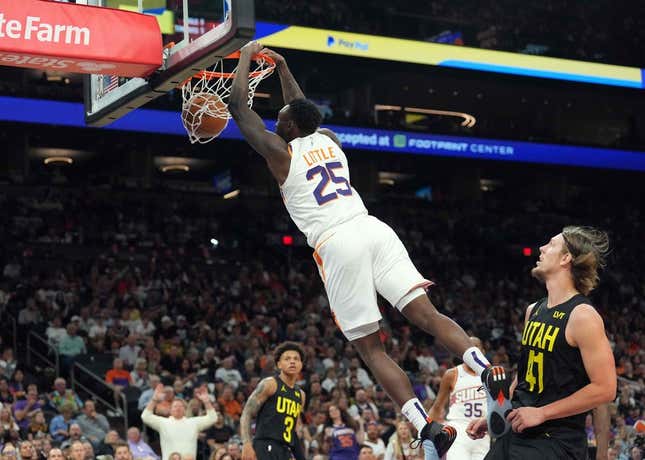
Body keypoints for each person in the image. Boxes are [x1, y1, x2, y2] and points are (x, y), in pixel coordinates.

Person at [226, 41, 509, 456]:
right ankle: (486, 371)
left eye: (280, 118)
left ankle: (426, 427)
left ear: (286, 128)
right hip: (374, 228)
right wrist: (283, 66)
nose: (277, 118)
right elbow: (302, 108)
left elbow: (238, 108)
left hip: (338, 242)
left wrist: (246, 56)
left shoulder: (280, 153)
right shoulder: (330, 138)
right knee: (427, 315)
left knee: (370, 347)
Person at [467, 227, 617, 459]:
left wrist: (542, 413)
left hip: (555, 440)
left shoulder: (582, 315)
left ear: (566, 258)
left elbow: (606, 389)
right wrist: (497, 414)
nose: (541, 248)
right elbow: (524, 378)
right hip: (516, 431)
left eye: (551, 244)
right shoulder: (533, 310)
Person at [240, 342, 306, 460]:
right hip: (265, 445)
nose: (292, 361)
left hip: (285, 449)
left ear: (301, 364)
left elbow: (293, 431)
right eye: (287, 359)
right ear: (279, 364)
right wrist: (246, 443)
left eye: (296, 359)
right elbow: (247, 413)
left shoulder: (301, 395)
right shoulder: (270, 384)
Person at [427, 337, 489, 460]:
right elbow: (437, 407)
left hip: (483, 434)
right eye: (469, 347)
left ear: (483, 351)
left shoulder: (491, 374)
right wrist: (426, 434)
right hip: (458, 431)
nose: (473, 351)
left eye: (476, 347)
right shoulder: (452, 374)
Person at [141, 384, 217, 460]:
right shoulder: (163, 422)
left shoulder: (193, 422)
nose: (178, 408)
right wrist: (154, 400)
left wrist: (207, 402)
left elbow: (213, 418)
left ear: (185, 410)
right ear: (170, 410)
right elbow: (145, 417)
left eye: (181, 406)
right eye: (175, 406)